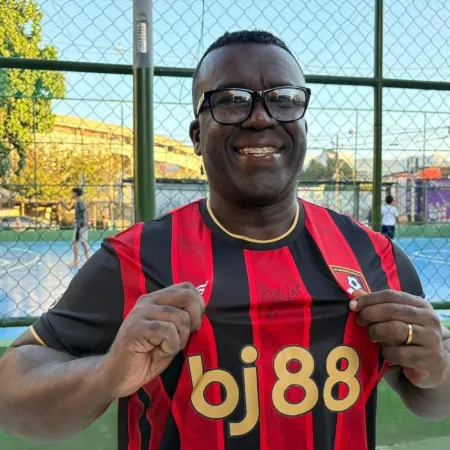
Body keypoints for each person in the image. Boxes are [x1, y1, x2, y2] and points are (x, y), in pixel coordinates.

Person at [0, 30, 449, 450]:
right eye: (231, 101)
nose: (260, 117)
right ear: (197, 136)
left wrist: (438, 369)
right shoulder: (133, 261)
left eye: (283, 99)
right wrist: (106, 373)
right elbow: (12, 394)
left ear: (303, 125)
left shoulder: (376, 257)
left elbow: (430, 398)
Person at [61, 187, 90, 268]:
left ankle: (76, 261)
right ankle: (88, 260)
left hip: (81, 224)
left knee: (75, 242)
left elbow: (87, 210)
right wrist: (63, 203)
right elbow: (69, 209)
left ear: (75, 193)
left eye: (72, 192)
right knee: (83, 242)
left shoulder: (80, 202)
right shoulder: (77, 202)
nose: (71, 194)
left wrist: (88, 222)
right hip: (81, 224)